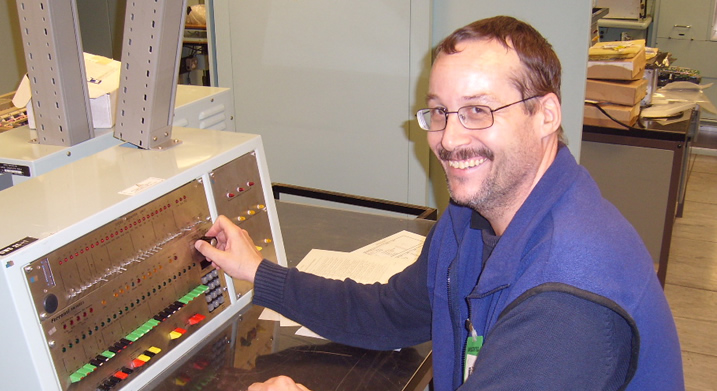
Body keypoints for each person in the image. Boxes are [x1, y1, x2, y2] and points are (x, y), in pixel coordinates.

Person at [195, 16, 684, 391]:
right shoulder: (471, 216)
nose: (448, 139)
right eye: (440, 112)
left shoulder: (567, 299)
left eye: (477, 110)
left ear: (546, 115)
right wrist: (260, 274)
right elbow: (391, 314)